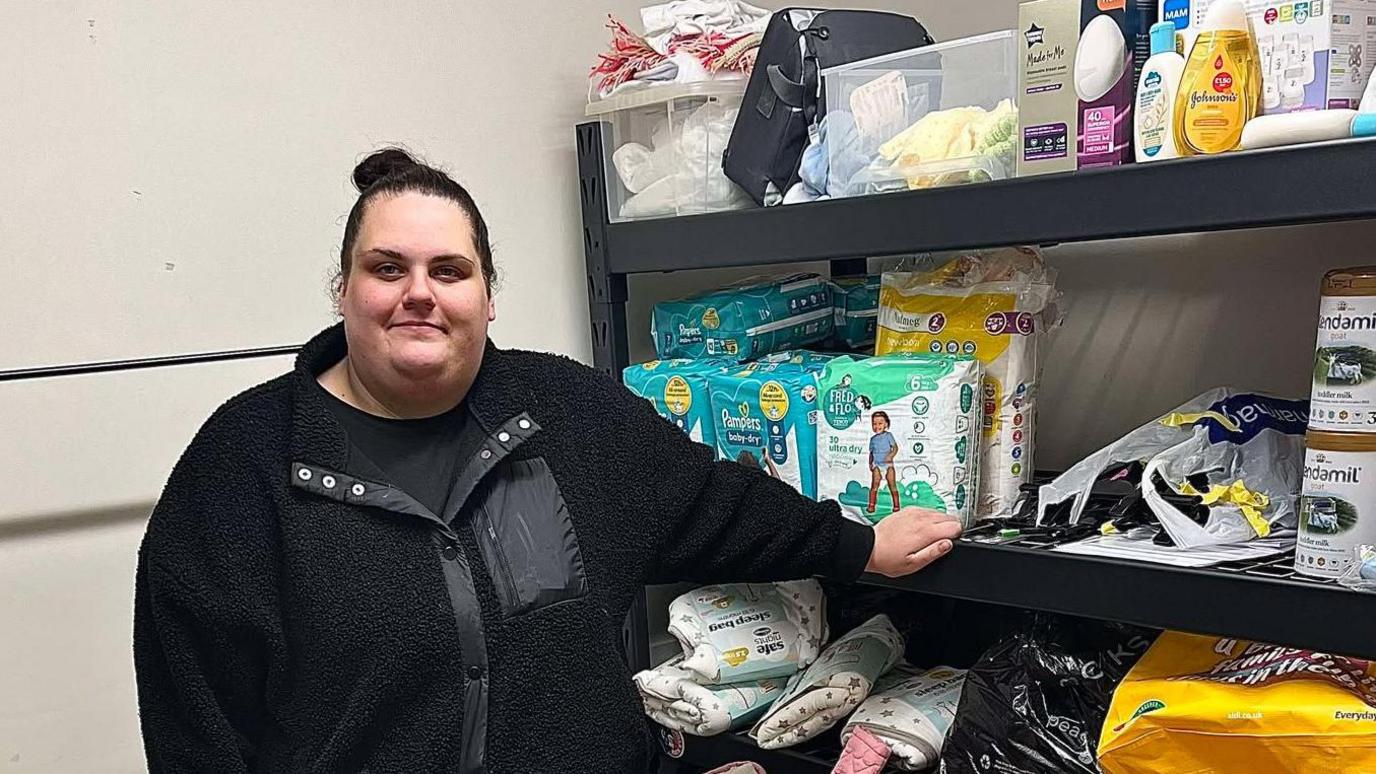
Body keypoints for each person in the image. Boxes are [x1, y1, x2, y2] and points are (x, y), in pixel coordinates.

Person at [133, 149, 963, 774]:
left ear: (488, 297)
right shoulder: (243, 468)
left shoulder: (565, 415)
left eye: (449, 271)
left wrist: (860, 546)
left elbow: (711, 501)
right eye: (388, 268)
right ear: (343, 290)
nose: (419, 291)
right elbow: (194, 722)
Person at [868, 410, 900, 514]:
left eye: (880, 423)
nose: (877, 426)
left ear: (886, 424)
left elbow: (895, 447)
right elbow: (871, 453)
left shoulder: (888, 435)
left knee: (892, 485)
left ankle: (896, 506)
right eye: (874, 423)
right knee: (874, 485)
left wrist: (890, 456)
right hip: (877, 465)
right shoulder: (873, 439)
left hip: (888, 465)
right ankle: (872, 505)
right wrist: (870, 464)